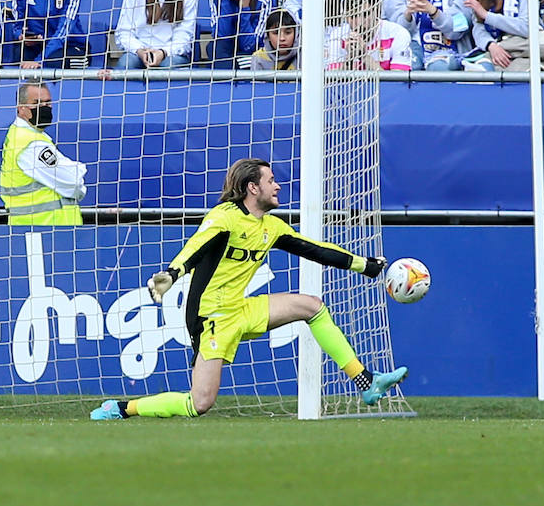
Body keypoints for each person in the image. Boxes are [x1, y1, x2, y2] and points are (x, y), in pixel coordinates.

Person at [90, 158, 408, 420]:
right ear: (252, 187)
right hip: (212, 318)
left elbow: (317, 249)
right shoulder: (224, 218)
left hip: (241, 309)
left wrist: (366, 266)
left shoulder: (270, 227)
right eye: (271, 180)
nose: (278, 185)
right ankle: (122, 408)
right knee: (199, 404)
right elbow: (195, 248)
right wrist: (172, 274)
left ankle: (366, 381)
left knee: (312, 306)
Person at [0, 81, 87, 226]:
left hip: (47, 228)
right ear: (21, 108)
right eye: (37, 103)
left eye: (47, 103)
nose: (44, 107)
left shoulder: (29, 135)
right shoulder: (30, 143)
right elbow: (74, 181)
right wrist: (77, 170)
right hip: (42, 228)